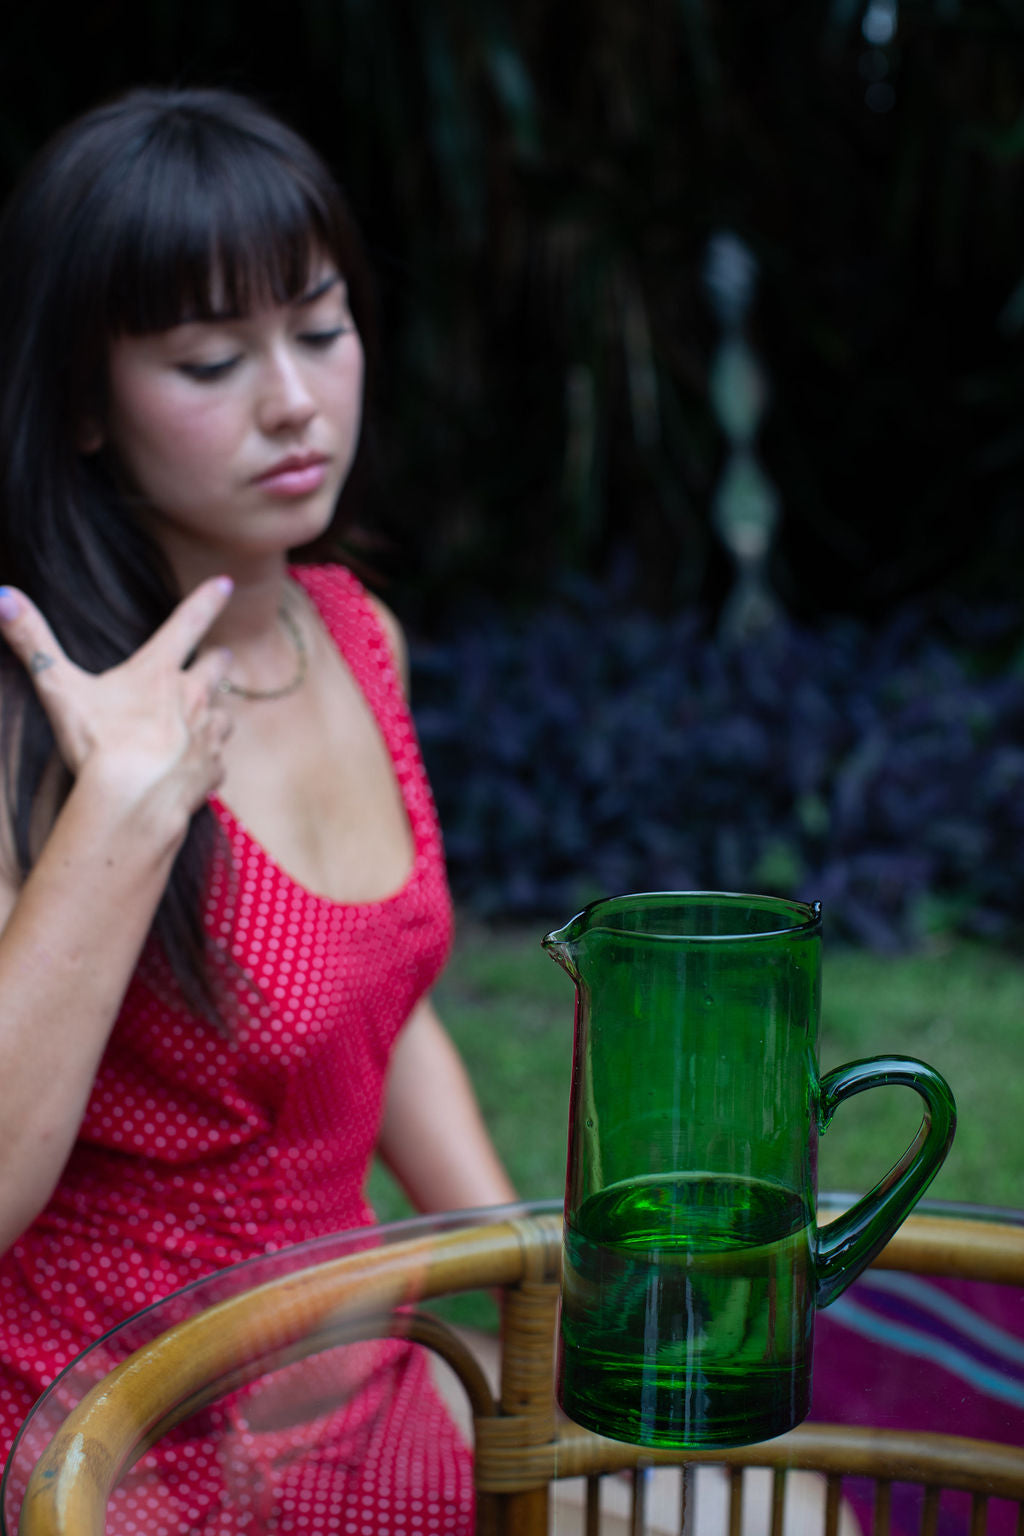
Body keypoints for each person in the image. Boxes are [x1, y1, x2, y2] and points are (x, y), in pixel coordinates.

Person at [0, 85, 516, 1529]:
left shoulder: (357, 635)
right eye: (212, 358)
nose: (293, 400)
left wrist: (525, 1273)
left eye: (322, 327)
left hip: (364, 1377)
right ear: (86, 408)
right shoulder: (29, 720)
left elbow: (382, 1007)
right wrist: (119, 819)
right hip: (110, 1437)